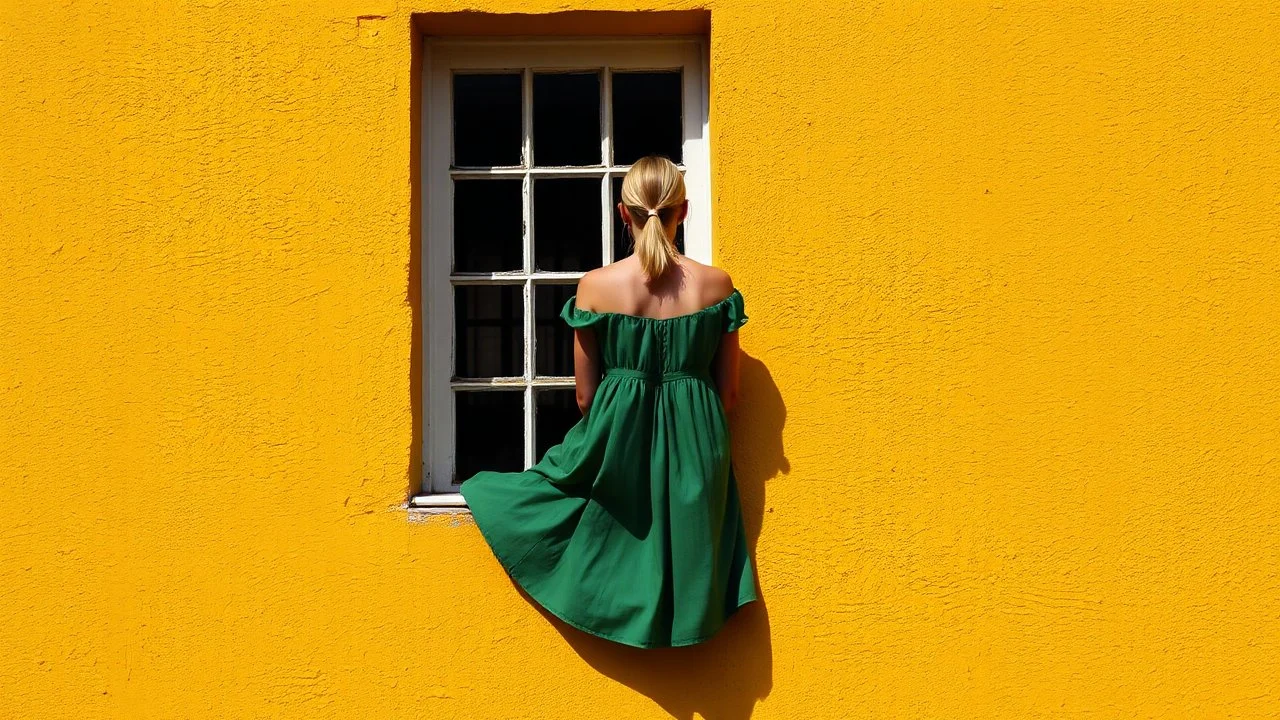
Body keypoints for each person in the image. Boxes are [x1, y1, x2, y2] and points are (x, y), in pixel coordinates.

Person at [459, 154, 758, 649]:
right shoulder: (717, 285)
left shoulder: (595, 287)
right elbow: (729, 393)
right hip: (701, 438)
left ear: (624, 214)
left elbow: (584, 395)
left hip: (618, 432)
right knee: (690, 549)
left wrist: (621, 430)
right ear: (684, 211)